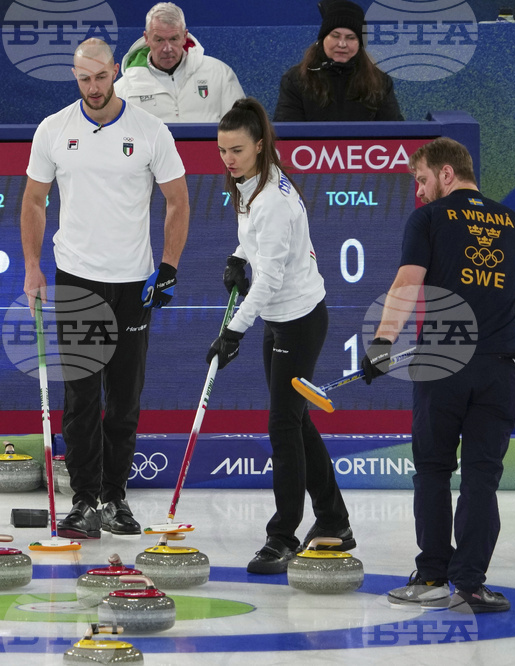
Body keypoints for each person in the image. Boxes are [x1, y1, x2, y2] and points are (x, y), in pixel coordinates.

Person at [363, 137, 515, 612]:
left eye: (422, 180)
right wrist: (497, 317)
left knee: (432, 469)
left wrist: (382, 341)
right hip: (502, 368)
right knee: (482, 477)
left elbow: (407, 284)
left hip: (443, 361)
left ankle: (431, 577)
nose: (420, 192)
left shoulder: (429, 219)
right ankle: (470, 585)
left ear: (447, 174)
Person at [21, 38, 189, 539]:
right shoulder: (54, 129)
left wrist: (169, 266)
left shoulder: (150, 130)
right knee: (80, 400)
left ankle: (115, 498)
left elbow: (177, 201)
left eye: (100, 77)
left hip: (133, 283)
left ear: (116, 71)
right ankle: (84, 501)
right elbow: (34, 201)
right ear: (75, 77)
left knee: (123, 400)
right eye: (83, 79)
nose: (93, 88)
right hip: (77, 279)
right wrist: (33, 266)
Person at [206, 98, 354, 574]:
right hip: (283, 317)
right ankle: (334, 518)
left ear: (260, 145)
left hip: (297, 319)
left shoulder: (271, 199)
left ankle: (283, 535)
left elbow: (268, 279)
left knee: (283, 426)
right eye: (223, 149)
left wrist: (232, 332)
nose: (228, 158)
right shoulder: (257, 181)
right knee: (295, 421)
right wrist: (236, 256)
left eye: (237, 150)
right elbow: (256, 243)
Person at [114, 2, 245, 124]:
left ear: (184, 36)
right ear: (147, 38)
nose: (167, 48)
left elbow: (242, 126)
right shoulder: (124, 88)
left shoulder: (219, 74)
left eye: (174, 39)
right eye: (159, 40)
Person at [274, 0, 403, 122]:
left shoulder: (380, 82)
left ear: (360, 44)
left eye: (350, 38)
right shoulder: (296, 79)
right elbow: (286, 134)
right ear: (323, 38)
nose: (342, 44)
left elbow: (396, 133)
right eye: (335, 36)